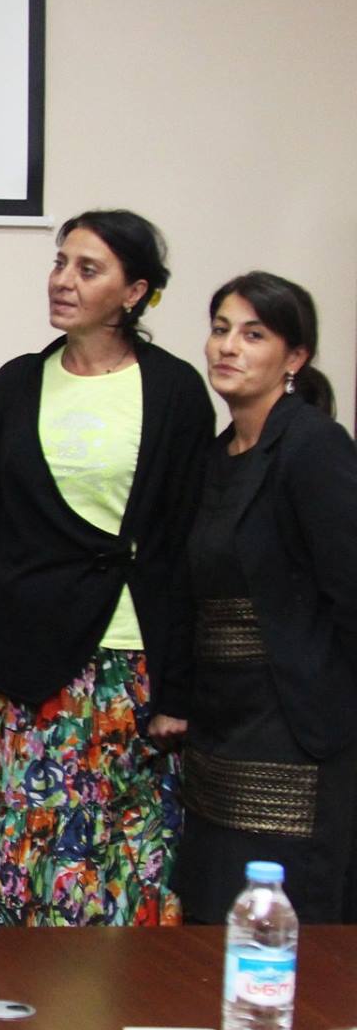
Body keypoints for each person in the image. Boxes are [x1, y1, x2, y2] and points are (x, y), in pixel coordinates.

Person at [0, 210, 212, 928]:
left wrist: (179, 689)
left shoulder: (175, 391)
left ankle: (97, 1003)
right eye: (60, 262)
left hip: (122, 665)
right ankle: (0, 1000)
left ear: (133, 293)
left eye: (87, 268)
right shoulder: (17, 383)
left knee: (107, 857)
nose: (62, 280)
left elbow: (184, 546)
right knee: (14, 848)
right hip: (18, 662)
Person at [174, 273, 357, 923]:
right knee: (209, 918)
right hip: (219, 727)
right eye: (220, 329)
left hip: (294, 732)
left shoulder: (313, 444)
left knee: (283, 925)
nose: (228, 346)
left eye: (253, 334)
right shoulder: (213, 456)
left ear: (294, 357)